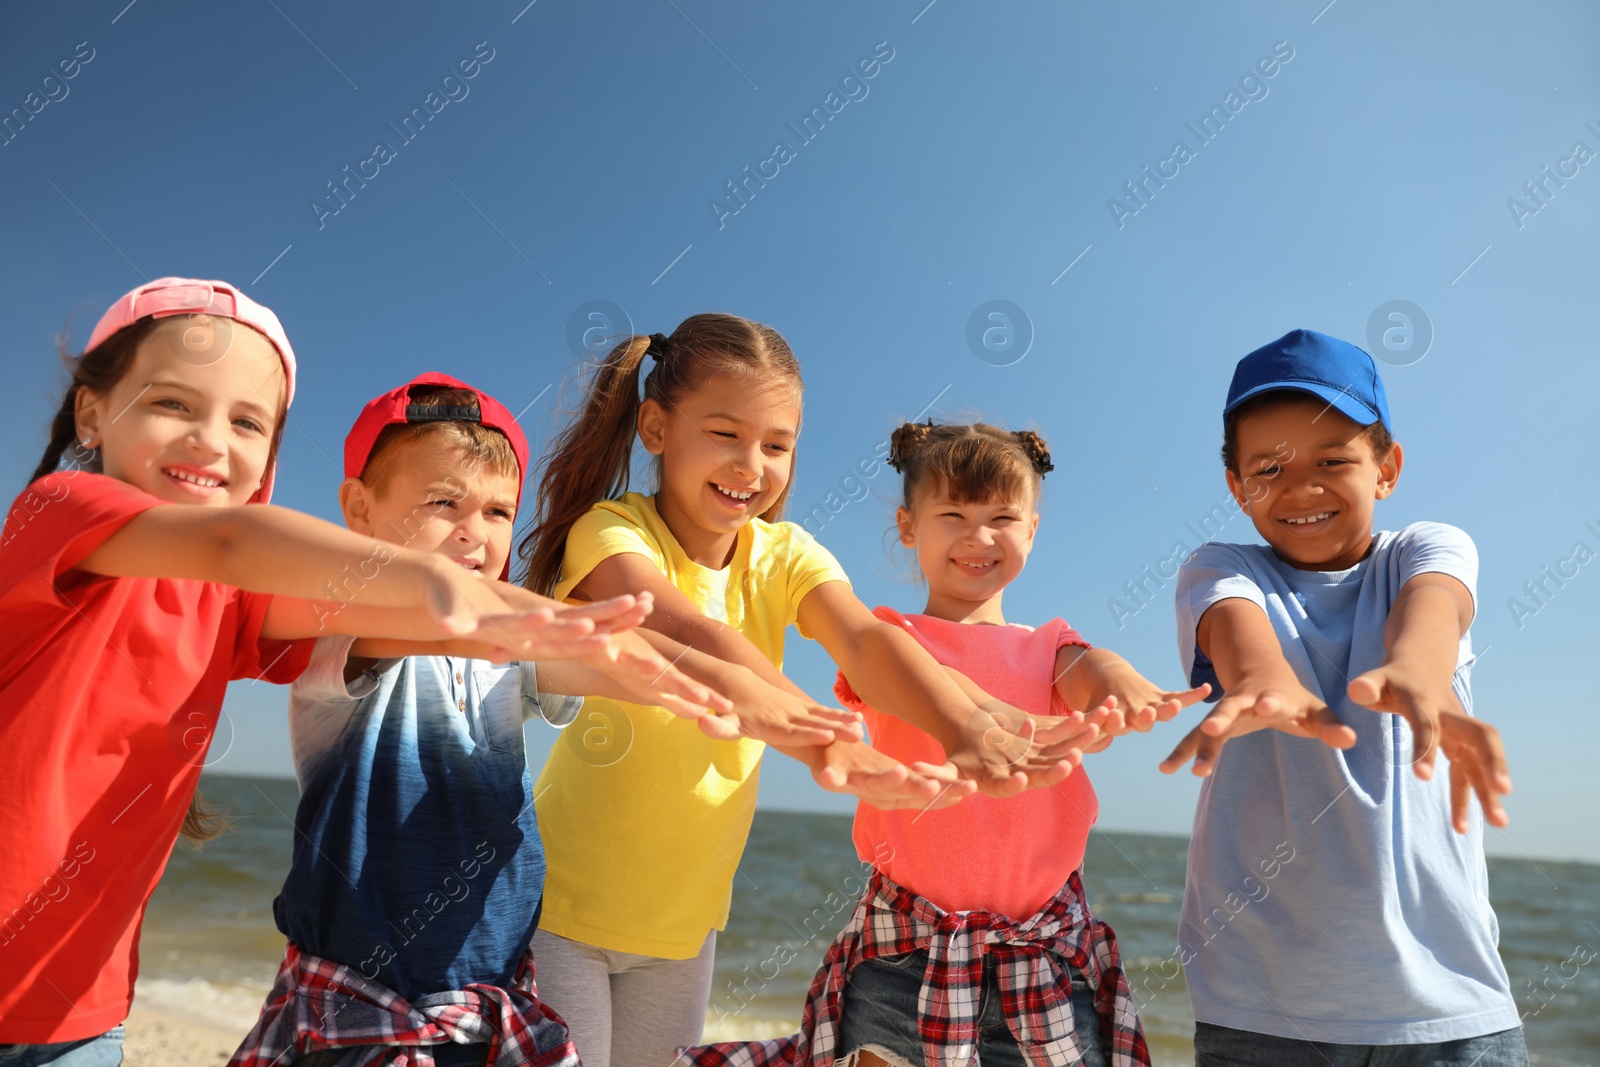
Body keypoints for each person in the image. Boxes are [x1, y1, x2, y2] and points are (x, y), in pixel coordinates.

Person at [0, 280, 583, 1066]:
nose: (211, 440)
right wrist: (443, 583)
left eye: (246, 422)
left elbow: (410, 620)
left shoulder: (232, 605)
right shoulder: (58, 508)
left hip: (81, 1006)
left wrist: (698, 671)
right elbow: (236, 542)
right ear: (92, 412)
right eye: (173, 402)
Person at [516, 318, 1077, 1067]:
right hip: (560, 908)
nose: (751, 465)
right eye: (725, 433)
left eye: (776, 445)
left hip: (684, 928)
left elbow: (868, 640)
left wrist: (965, 720)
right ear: (655, 426)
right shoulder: (613, 530)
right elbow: (693, 636)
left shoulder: (784, 554)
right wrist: (830, 738)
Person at [229, 374, 737, 1067]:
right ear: (360, 510)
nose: (474, 530)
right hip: (362, 1007)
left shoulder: (507, 662)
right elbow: (457, 624)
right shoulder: (340, 636)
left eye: (499, 512)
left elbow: (610, 667)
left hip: (490, 1000)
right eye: (444, 502)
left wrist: (731, 692)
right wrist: (556, 628)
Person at [688, 420, 1208, 1067]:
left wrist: (1123, 682)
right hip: (906, 950)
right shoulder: (891, 640)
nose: (978, 536)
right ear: (909, 526)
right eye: (953, 513)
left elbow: (1088, 669)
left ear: (1034, 530)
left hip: (1042, 949)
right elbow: (918, 674)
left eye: (1002, 517)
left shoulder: (1048, 645)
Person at [1161, 329, 1523, 1066]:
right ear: (1235, 485)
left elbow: (1435, 609)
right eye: (1269, 468)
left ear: (1386, 468)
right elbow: (1235, 628)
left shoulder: (1426, 548)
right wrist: (1262, 680)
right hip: (1262, 1014)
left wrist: (1422, 673)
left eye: (1333, 461)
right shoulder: (1221, 565)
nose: (1301, 488)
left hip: (1450, 1009)